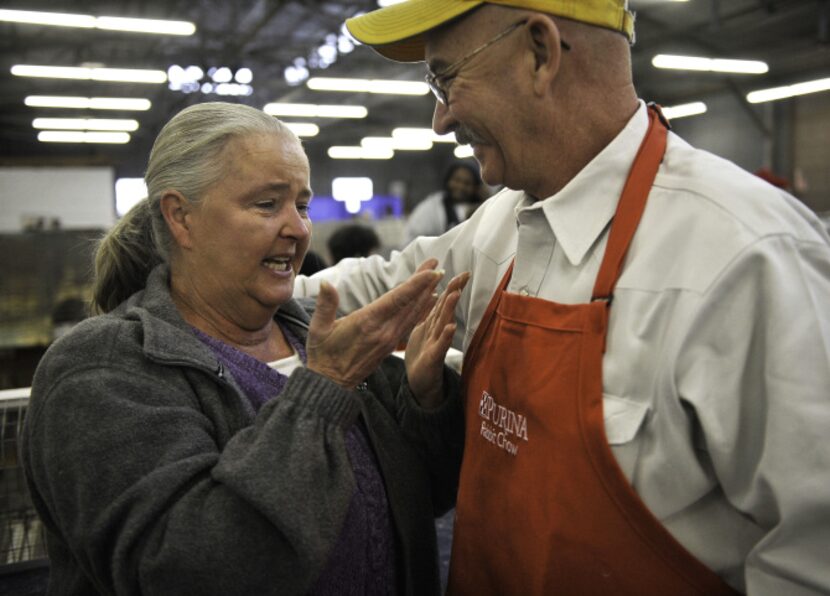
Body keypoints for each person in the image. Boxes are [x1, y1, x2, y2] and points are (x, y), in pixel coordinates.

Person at [293, 1, 830, 594]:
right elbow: (381, 289)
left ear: (540, 53)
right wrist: (229, 289)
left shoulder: (746, 257)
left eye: (444, 78)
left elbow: (812, 557)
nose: (440, 120)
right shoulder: (501, 225)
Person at [20, 102, 469, 595]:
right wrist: (321, 393)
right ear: (181, 218)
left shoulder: (313, 337)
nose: (298, 229)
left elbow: (424, 497)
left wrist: (426, 400)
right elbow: (187, 573)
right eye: (267, 204)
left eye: (301, 204)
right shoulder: (101, 367)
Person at [405, 162, 483, 243]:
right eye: (457, 180)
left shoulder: (480, 208)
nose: (460, 186)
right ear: (448, 181)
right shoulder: (432, 206)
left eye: (467, 183)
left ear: (475, 187)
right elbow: (414, 236)